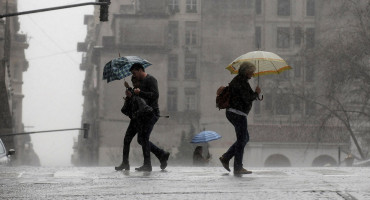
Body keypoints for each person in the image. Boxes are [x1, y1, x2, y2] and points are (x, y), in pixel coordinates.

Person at [219, 61, 261, 175]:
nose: (253, 74)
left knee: (244, 138)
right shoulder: (240, 82)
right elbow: (247, 98)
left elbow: (246, 96)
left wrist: (255, 94)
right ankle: (237, 167)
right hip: (237, 113)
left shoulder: (241, 81)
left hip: (236, 113)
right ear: (246, 71)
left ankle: (226, 157)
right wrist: (256, 93)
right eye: (251, 72)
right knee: (242, 139)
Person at [126, 63, 170, 172]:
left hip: (152, 113)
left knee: (143, 138)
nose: (134, 75)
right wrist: (130, 92)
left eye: (135, 73)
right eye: (132, 74)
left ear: (141, 70)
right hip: (144, 114)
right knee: (141, 139)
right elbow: (139, 99)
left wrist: (140, 92)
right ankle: (161, 154)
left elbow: (155, 95)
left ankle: (148, 164)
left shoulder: (151, 79)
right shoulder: (139, 83)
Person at [116, 76, 152, 171]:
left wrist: (131, 94)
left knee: (143, 140)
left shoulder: (141, 91)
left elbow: (143, 106)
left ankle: (147, 164)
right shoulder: (133, 93)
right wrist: (128, 98)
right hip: (134, 121)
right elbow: (124, 110)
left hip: (141, 120)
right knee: (127, 140)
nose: (134, 84)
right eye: (133, 82)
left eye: (135, 82)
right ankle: (125, 163)